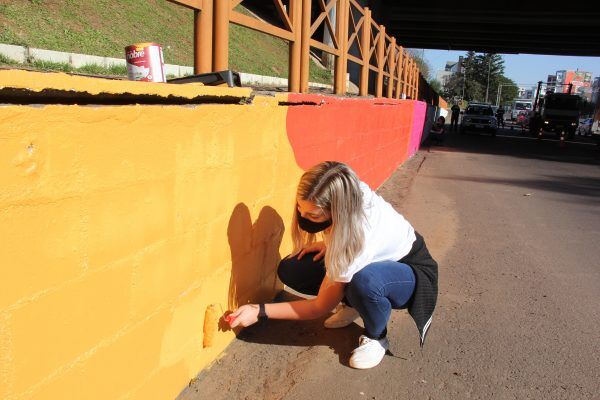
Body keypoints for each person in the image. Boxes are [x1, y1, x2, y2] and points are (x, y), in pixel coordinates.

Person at [227, 161, 438, 369]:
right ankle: (354, 303)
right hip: (369, 255)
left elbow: (319, 307)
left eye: (313, 215)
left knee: (365, 281)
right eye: (300, 208)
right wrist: (328, 244)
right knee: (293, 268)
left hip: (410, 270)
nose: (302, 217)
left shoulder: (357, 240)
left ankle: (377, 336)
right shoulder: (347, 188)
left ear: (338, 211)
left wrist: (259, 311)